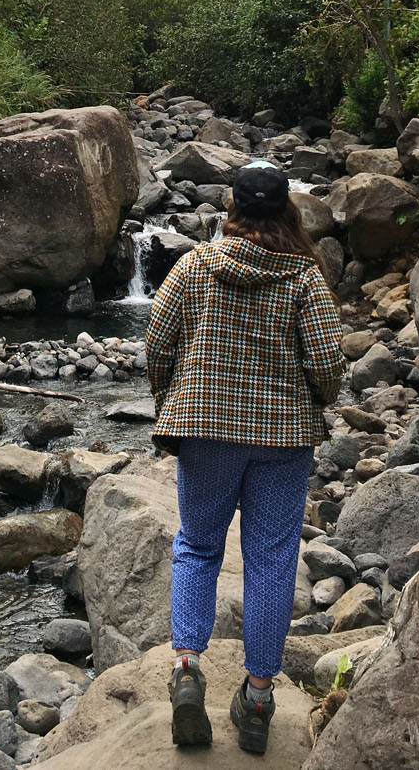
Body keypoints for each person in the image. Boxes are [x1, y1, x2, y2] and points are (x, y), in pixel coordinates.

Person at [145, 160, 344, 754]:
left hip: (204, 430)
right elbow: (329, 365)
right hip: (283, 439)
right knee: (271, 559)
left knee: (199, 545)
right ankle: (257, 695)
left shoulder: (194, 267)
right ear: (288, 209)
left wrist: (170, 400)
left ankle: (186, 670)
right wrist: (319, 401)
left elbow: (158, 342)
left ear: (232, 207)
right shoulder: (305, 278)